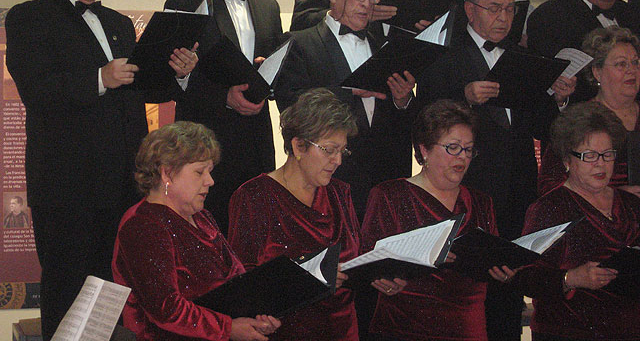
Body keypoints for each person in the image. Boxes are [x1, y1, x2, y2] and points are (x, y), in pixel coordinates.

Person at [5, 0, 195, 340]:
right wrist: (98, 78)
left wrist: (177, 75)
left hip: (123, 184)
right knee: (69, 290)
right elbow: (38, 91)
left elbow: (138, 89)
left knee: (116, 292)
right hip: (66, 187)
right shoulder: (27, 18)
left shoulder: (119, 23)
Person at [418, 0, 575, 341]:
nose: (504, 17)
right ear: (470, 10)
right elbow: (423, 118)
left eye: (509, 9)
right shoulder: (445, 56)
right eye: (494, 8)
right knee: (466, 297)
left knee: (509, 296)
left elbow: (542, 128)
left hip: (518, 193)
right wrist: (464, 99)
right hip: (466, 194)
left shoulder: (522, 57)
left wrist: (558, 97)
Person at [228, 88, 406, 341]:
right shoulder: (254, 195)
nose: (338, 161)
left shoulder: (339, 193)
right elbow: (243, 282)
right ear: (298, 145)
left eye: (342, 151)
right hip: (284, 331)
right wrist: (310, 278)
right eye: (329, 150)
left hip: (343, 329)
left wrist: (380, 276)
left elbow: (356, 258)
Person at [164, 0, 283, 235]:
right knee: (204, 240)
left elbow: (276, 69)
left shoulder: (268, 7)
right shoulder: (184, 2)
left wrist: (266, 76)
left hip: (256, 141)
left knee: (258, 239)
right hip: (205, 143)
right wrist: (224, 97)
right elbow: (173, 82)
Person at [112, 121, 281, 340]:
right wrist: (228, 328)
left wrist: (257, 316)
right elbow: (166, 310)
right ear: (167, 173)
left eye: (209, 172)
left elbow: (238, 280)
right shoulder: (143, 224)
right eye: (199, 172)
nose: (210, 181)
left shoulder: (202, 217)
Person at [362, 99, 514, 341]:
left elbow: (491, 257)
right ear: (424, 150)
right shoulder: (389, 194)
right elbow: (369, 259)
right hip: (403, 327)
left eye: (468, 149)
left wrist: (503, 271)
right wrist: (384, 279)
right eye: (453, 147)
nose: (462, 157)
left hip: (468, 328)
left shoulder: (481, 201)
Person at [275, 0, 415, 219]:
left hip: (384, 181)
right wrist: (348, 91)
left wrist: (402, 99)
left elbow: (400, 119)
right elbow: (291, 106)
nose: (367, 3)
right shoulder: (299, 44)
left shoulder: (385, 46)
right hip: (330, 180)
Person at [514, 102, 640, 341]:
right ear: (567, 160)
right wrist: (571, 278)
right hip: (567, 331)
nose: (601, 164)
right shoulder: (549, 208)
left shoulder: (631, 204)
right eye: (589, 155)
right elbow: (523, 277)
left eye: (608, 154)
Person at [539, 26, 640, 196]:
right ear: (597, 72)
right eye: (621, 64)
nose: (631, 70)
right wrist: (614, 197)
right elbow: (549, 185)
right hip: (599, 217)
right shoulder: (578, 121)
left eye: (636, 62)